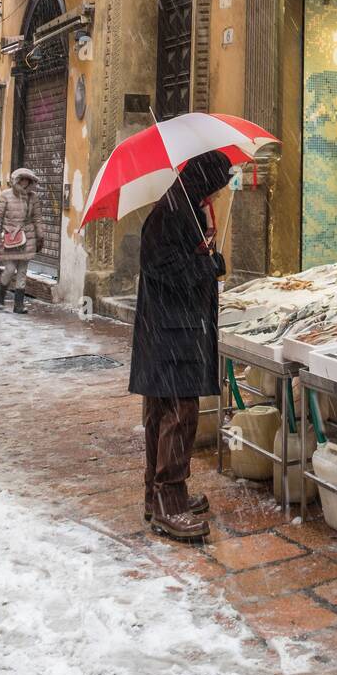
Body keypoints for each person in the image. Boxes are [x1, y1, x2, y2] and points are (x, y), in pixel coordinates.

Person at [129, 150, 230, 542]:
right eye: (218, 186)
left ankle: (160, 496)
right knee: (178, 411)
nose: (220, 194)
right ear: (206, 179)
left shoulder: (187, 204)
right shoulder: (172, 210)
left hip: (173, 326)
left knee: (162, 409)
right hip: (171, 328)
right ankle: (169, 503)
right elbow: (159, 264)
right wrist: (208, 265)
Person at [0, 168, 45, 314]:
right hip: (10, 238)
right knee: (9, 269)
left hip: (28, 238)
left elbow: (37, 218)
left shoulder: (33, 197)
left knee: (22, 272)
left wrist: (40, 236)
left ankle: (18, 305)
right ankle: (0, 298)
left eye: (28, 180)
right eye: (22, 179)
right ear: (17, 180)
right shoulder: (5, 196)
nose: (25, 183)